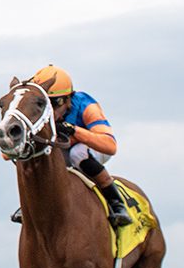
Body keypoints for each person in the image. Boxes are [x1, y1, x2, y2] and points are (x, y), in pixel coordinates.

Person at [12, 64, 133, 227]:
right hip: (63, 152)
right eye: (45, 104)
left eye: (55, 104)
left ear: (68, 99)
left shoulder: (86, 105)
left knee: (78, 153)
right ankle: (30, 204)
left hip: (90, 149)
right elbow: (7, 155)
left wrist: (74, 131)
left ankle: (116, 204)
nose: (51, 112)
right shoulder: (41, 115)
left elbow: (110, 146)